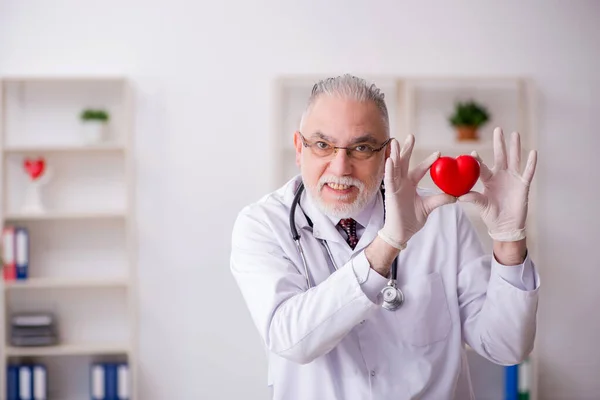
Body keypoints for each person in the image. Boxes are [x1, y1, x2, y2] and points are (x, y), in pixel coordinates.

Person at [230, 74, 540, 400]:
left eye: (361, 148)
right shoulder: (263, 224)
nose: (340, 167)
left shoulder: (443, 219)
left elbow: (506, 347)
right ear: (299, 148)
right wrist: (389, 243)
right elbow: (290, 339)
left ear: (387, 154)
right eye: (322, 145)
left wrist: (509, 241)